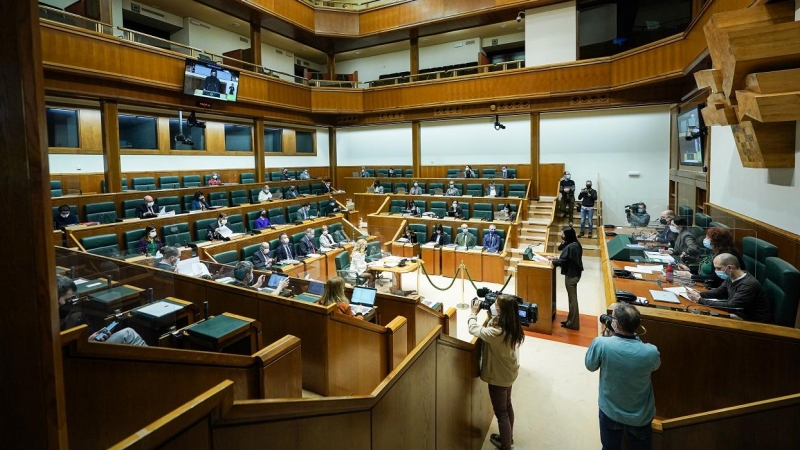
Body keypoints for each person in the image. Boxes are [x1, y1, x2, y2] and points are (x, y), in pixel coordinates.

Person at [585, 303, 661, 450]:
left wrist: (607, 337)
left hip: (610, 412)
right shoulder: (650, 351)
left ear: (615, 324)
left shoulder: (601, 344)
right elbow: (655, 365)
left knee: (609, 447)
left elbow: (590, 365)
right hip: (640, 417)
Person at [468, 294, 524, 450]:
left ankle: (507, 446)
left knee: (501, 413)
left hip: (499, 377)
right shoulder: (512, 323)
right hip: (509, 373)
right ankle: (509, 437)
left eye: (496, 304)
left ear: (502, 311)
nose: (493, 305)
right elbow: (492, 322)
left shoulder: (496, 332)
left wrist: (473, 313)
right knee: (507, 406)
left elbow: (473, 329)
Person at [57, 275, 147, 346]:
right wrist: (89, 342)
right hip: (77, 354)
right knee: (129, 333)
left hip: (83, 345)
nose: (69, 303)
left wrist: (91, 339)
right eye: (67, 300)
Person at [687, 253, 771, 322]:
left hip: (752, 321)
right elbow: (719, 292)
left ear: (730, 267)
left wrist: (700, 300)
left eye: (718, 268)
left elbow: (732, 306)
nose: (716, 271)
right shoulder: (732, 276)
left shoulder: (748, 284)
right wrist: (700, 294)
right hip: (737, 313)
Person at [675, 227, 744, 286]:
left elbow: (716, 278)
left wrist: (691, 276)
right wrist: (689, 270)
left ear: (716, 240)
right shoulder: (715, 250)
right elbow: (705, 268)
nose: (705, 239)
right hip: (702, 281)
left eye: (708, 237)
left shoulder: (726, 255)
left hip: (711, 286)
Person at [548, 227, 583, 330]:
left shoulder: (573, 246)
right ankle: (570, 320)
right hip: (572, 273)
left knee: (573, 300)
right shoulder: (572, 244)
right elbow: (561, 250)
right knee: (571, 299)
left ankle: (573, 323)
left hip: (572, 275)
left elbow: (564, 261)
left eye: (563, 234)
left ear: (568, 235)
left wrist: (552, 262)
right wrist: (555, 258)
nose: (561, 236)